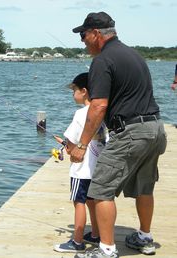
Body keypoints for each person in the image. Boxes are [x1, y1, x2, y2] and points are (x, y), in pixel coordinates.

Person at [69, 12, 167, 258]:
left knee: (100, 188)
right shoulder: (134, 55)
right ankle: (144, 238)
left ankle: (107, 249)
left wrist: (82, 145)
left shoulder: (102, 60)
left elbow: (98, 106)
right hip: (155, 128)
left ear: (95, 34)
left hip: (131, 132)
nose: (82, 41)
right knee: (145, 186)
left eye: (83, 35)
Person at [53, 72, 108, 253]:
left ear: (84, 91)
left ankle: (77, 241)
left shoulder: (80, 114)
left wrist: (63, 143)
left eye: (74, 90)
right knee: (93, 201)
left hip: (82, 170)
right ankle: (96, 234)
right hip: (99, 169)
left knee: (79, 202)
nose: (72, 94)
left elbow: (70, 148)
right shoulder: (104, 111)